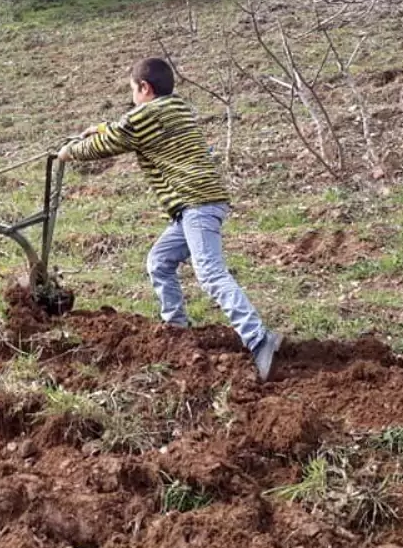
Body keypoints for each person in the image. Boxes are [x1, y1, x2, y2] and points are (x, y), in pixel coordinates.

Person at [57, 57, 282, 381]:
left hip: (197, 204)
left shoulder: (145, 116)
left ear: (145, 89)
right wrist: (102, 128)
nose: (133, 98)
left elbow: (113, 141)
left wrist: (70, 152)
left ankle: (259, 339)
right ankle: (176, 330)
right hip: (197, 205)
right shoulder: (176, 108)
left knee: (210, 274)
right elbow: (125, 130)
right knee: (159, 261)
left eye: (133, 91)